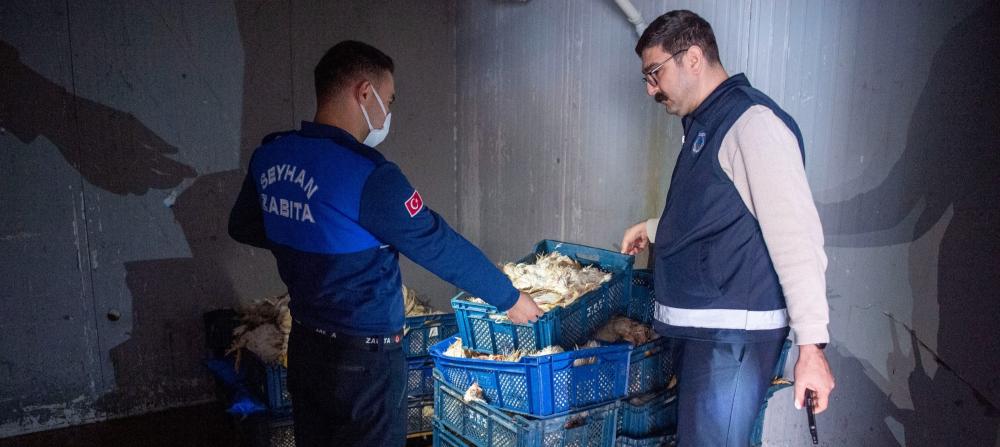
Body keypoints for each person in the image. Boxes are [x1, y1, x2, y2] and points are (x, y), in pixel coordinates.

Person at [228, 40, 543, 446]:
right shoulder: (369, 175)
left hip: (306, 347)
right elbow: (436, 243)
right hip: (363, 363)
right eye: (388, 100)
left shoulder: (272, 154)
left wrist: (306, 233)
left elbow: (244, 225)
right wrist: (510, 298)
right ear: (364, 93)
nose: (387, 112)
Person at [619, 11, 835, 446]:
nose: (650, 89)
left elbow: (796, 237)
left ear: (693, 58)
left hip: (734, 339)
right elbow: (719, 214)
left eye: (655, 73)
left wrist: (812, 347)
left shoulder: (753, 125)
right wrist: (654, 228)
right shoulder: (708, 123)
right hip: (709, 335)